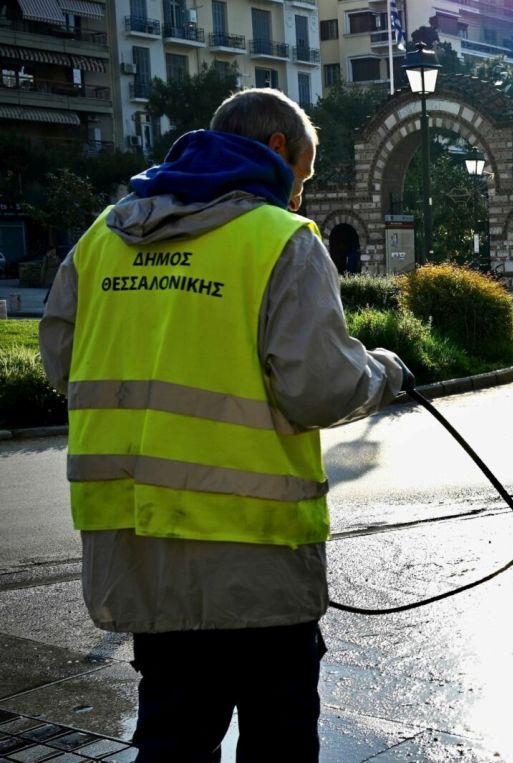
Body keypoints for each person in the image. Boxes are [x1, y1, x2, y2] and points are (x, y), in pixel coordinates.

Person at [38, 88, 414, 761]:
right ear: (276, 151)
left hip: (144, 559)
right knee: (278, 743)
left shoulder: (103, 237)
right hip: (258, 568)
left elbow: (62, 361)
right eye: (303, 175)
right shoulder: (280, 240)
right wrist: (384, 370)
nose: (299, 195)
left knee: (172, 739)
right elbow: (320, 387)